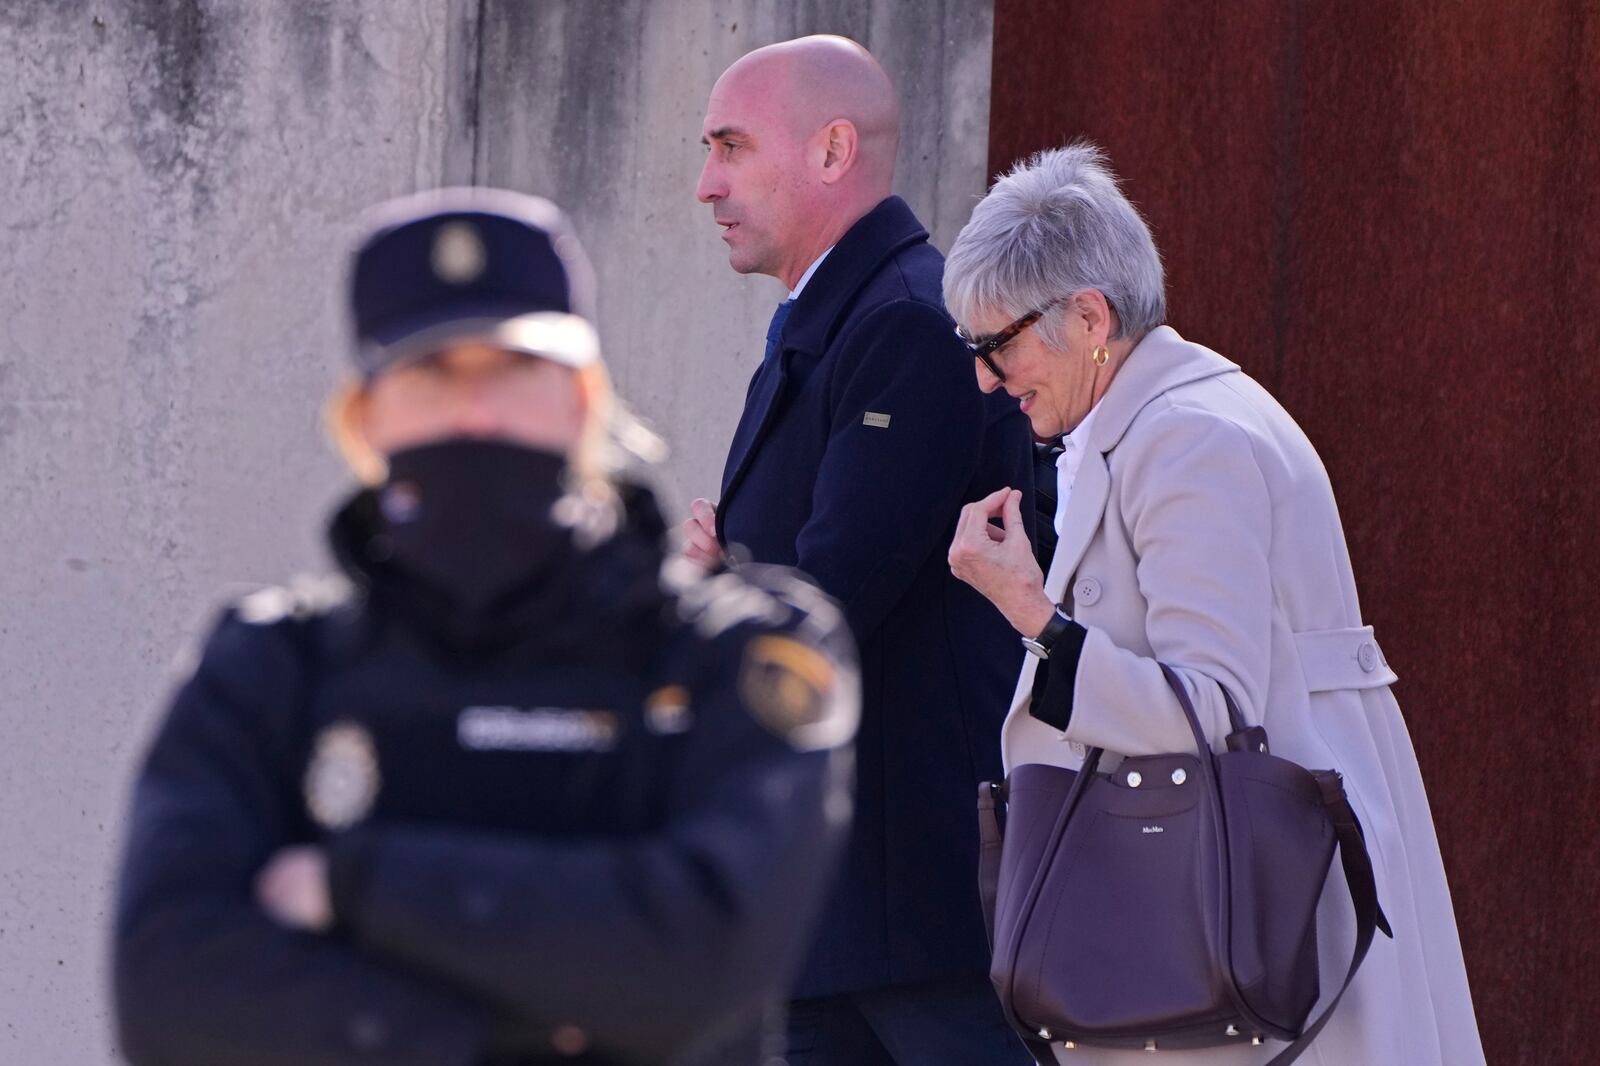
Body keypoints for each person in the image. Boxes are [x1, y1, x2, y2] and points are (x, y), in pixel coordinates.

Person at [112, 188, 859, 1066]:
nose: (475, 414)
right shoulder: (270, 667)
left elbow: (708, 956)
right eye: (431, 374)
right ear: (365, 419)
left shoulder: (735, 651)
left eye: (514, 370)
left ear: (584, 399)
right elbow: (171, 999)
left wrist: (353, 883)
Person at [944, 144, 1485, 1065]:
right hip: (1233, 898)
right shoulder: (1146, 421)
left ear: (1088, 316)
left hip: (1245, 909)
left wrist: (1031, 611)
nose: (988, 380)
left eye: (997, 347)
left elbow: (1212, 707)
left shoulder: (1186, 437)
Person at [685, 34, 1035, 1066]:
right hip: (839, 910)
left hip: (911, 914)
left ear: (833, 150)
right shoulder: (837, 317)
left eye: (731, 146)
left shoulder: (904, 324)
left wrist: (716, 597)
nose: (707, 184)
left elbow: (827, 600)